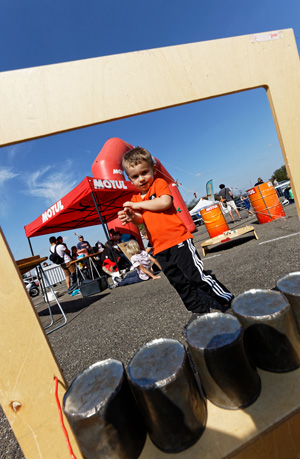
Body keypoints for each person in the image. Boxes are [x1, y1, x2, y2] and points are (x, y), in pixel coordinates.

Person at [118, 146, 233, 314]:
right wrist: (130, 216)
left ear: (153, 169)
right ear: (130, 179)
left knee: (195, 275)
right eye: (135, 176)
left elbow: (164, 203)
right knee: (178, 282)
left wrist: (136, 205)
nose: (141, 179)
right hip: (160, 247)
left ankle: (227, 299)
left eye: (144, 172)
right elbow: (140, 219)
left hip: (178, 240)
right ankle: (198, 311)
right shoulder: (136, 198)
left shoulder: (159, 184)